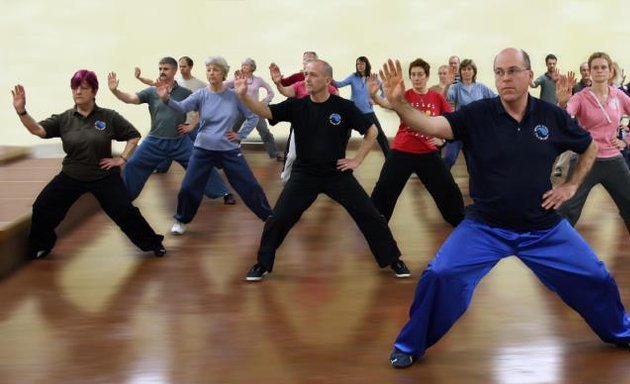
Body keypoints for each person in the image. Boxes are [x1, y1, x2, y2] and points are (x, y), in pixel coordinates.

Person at [379, 48, 630, 370]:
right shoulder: (477, 115)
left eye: (512, 71)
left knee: (595, 275)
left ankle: (620, 331)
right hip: (486, 226)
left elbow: (589, 146)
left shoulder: (550, 117)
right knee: (441, 275)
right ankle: (410, 345)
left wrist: (569, 186)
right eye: (499, 72)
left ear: (529, 75)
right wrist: (399, 104)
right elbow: (431, 126)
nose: (505, 78)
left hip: (542, 228)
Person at [236, 59, 410, 281]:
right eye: (305, 74)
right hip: (304, 174)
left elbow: (372, 131)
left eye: (313, 75)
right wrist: (243, 96)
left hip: (336, 174)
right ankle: (262, 263)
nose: (306, 79)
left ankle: (392, 258)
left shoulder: (344, 108)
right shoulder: (297, 106)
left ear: (327, 80)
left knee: (370, 215)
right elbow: (265, 110)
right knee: (278, 219)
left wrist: (356, 160)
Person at [11, 70, 166, 259]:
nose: (78, 91)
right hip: (72, 174)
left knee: (125, 211)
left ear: (94, 92)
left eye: (83, 88)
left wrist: (122, 159)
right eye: (75, 88)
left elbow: (133, 136)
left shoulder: (109, 117)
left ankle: (153, 243)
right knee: (43, 206)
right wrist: (22, 111)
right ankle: (41, 245)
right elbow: (38, 130)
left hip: (104, 175)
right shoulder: (64, 118)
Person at [156, 56, 272, 235]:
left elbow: (253, 116)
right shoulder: (201, 94)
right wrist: (166, 100)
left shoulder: (234, 96)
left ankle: (269, 217)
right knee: (188, 187)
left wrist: (240, 135)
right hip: (203, 149)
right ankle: (181, 220)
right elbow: (181, 107)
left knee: (250, 185)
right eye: (209, 69)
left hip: (229, 150)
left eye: (215, 70)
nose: (211, 73)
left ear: (223, 73)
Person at [108, 57, 236, 205]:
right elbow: (130, 98)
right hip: (154, 141)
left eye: (166, 69)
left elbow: (202, 109)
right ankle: (122, 199)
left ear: (174, 71)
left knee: (201, 164)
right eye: (160, 69)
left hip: (179, 141)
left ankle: (224, 192)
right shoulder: (151, 91)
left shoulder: (185, 92)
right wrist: (115, 90)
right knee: (133, 164)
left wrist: (191, 126)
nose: (162, 72)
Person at [368, 58, 464, 225]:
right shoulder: (404, 96)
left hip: (428, 152)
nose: (417, 78)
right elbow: (386, 103)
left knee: (449, 189)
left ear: (427, 77)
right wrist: (374, 95)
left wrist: (441, 139)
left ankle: (459, 220)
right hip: (402, 150)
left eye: (420, 74)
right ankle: (375, 224)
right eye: (413, 74)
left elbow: (449, 120)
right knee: (384, 189)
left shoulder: (436, 97)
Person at [557, 51, 630, 235]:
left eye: (603, 67)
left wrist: (626, 141)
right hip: (585, 159)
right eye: (595, 67)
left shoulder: (618, 96)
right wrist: (562, 104)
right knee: (567, 209)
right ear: (589, 71)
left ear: (609, 70)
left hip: (613, 159)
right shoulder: (581, 97)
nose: (599, 71)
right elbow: (563, 119)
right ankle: (555, 249)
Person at [270, 60, 339, 184]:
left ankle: (325, 181)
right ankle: (286, 180)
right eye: (306, 73)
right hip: (301, 127)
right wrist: (278, 84)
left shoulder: (331, 89)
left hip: (320, 129)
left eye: (312, 73)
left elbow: (336, 106)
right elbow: (286, 91)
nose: (308, 77)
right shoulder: (299, 85)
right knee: (292, 156)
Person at [224, 57, 283, 161]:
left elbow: (271, 92)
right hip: (240, 109)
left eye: (246, 65)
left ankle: (275, 153)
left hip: (255, 109)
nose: (243, 67)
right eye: (242, 65)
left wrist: (264, 102)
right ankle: (226, 152)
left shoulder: (258, 80)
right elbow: (224, 86)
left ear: (252, 67)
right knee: (232, 130)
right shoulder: (236, 78)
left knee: (265, 132)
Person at [442, 59, 496, 169]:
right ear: (460, 72)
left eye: (469, 69)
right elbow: (444, 98)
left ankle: (476, 185)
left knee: (473, 165)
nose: (466, 71)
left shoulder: (481, 87)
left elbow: (496, 99)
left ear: (474, 71)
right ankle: (439, 182)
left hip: (475, 131)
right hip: (458, 129)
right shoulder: (456, 87)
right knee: (449, 158)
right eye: (464, 69)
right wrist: (447, 85)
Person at [334, 56, 389, 155]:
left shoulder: (373, 78)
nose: (359, 66)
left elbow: (383, 89)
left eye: (362, 64)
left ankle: (389, 158)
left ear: (366, 65)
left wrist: (376, 100)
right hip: (353, 111)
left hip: (368, 112)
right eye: (358, 64)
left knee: (380, 135)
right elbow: (339, 84)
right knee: (345, 135)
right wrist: (329, 78)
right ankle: (338, 156)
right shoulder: (353, 77)